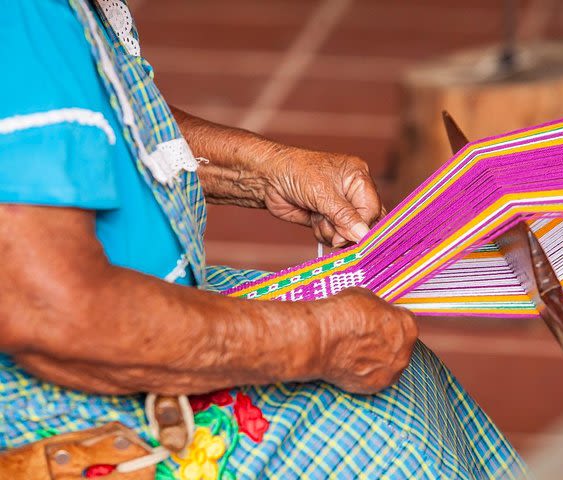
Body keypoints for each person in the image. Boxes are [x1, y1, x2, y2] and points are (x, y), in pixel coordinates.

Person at [0, 1, 526, 478]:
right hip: (43, 395)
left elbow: (114, 127)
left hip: (89, 305)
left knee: (407, 378)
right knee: (387, 445)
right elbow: (50, 307)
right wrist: (321, 342)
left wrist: (265, 168)